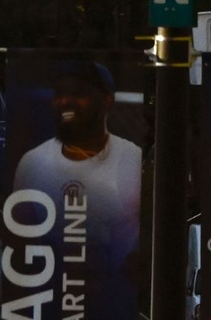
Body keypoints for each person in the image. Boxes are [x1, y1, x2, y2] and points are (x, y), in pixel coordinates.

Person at [12, 62, 142, 278]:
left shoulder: (132, 160)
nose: (66, 101)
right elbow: (20, 241)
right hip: (51, 294)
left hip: (116, 297)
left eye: (79, 94)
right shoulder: (32, 163)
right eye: (60, 94)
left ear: (107, 101)